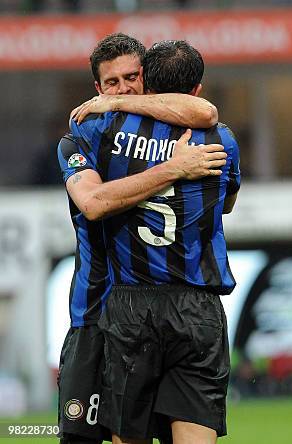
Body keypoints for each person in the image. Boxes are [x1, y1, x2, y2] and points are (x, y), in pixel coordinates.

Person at [57, 33, 227, 444]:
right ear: (96, 89)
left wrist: (121, 103)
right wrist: (174, 168)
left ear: (148, 79)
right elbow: (93, 204)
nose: (124, 89)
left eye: (132, 78)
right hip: (95, 313)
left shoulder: (167, 125)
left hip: (148, 311)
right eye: (111, 84)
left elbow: (206, 110)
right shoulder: (82, 135)